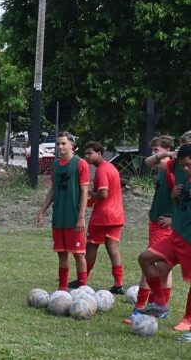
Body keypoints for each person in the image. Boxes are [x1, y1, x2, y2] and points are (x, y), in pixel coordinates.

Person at [136, 143, 191, 336]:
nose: (185, 169)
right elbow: (182, 208)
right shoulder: (184, 178)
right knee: (145, 258)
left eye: (188, 165)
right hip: (177, 236)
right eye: (183, 165)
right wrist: (175, 198)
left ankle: (188, 320)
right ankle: (159, 303)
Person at [126, 135, 177, 324]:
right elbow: (149, 162)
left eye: (156, 150)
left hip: (165, 225)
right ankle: (159, 306)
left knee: (153, 265)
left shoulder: (175, 168)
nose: (153, 153)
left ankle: (142, 307)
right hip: (155, 221)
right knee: (163, 267)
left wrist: (173, 219)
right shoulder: (162, 168)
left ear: (168, 149)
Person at [35, 132, 90, 291]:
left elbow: (85, 192)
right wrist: (41, 211)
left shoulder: (80, 164)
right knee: (62, 253)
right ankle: (63, 288)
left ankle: (83, 288)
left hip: (74, 217)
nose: (60, 146)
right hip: (59, 216)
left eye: (63, 143)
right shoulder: (57, 165)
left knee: (79, 254)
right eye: (58, 144)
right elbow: (53, 190)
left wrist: (81, 217)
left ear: (72, 144)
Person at [81, 142, 126, 293]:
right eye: (85, 154)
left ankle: (83, 280)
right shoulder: (111, 167)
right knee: (112, 248)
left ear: (99, 153)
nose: (86, 156)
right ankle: (119, 284)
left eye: (89, 153)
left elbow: (103, 193)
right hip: (117, 214)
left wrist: (91, 195)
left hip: (103, 215)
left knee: (92, 246)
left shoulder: (101, 170)